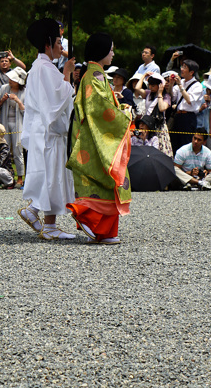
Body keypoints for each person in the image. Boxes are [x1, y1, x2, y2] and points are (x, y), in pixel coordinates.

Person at [65, 31, 131, 244]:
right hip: (92, 138)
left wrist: (119, 108)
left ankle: (106, 231)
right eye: (110, 49)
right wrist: (124, 115)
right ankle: (87, 218)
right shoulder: (94, 76)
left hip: (96, 134)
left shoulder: (96, 74)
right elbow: (99, 109)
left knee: (106, 181)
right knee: (98, 179)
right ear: (101, 51)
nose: (113, 53)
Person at [18, 18, 76, 242]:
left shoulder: (38, 66)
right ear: (48, 43)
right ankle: (42, 218)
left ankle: (40, 215)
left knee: (49, 175)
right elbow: (58, 97)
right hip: (49, 131)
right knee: (52, 176)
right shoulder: (46, 68)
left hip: (42, 129)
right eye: (59, 42)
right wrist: (68, 73)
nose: (61, 47)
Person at [0, 66, 26, 187]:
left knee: (18, 150)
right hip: (5, 122)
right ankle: (7, 176)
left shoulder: (25, 92)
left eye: (13, 80)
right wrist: (2, 100)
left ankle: (20, 177)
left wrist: (18, 101)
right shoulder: (4, 88)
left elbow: (26, 112)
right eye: (10, 79)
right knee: (5, 149)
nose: (10, 81)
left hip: (19, 124)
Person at [168, 59, 205, 153]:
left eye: (184, 67)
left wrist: (180, 85)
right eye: (182, 66)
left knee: (186, 142)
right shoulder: (182, 82)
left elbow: (189, 100)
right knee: (174, 142)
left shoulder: (197, 85)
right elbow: (172, 96)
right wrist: (171, 84)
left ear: (191, 72)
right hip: (178, 116)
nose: (181, 69)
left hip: (188, 117)